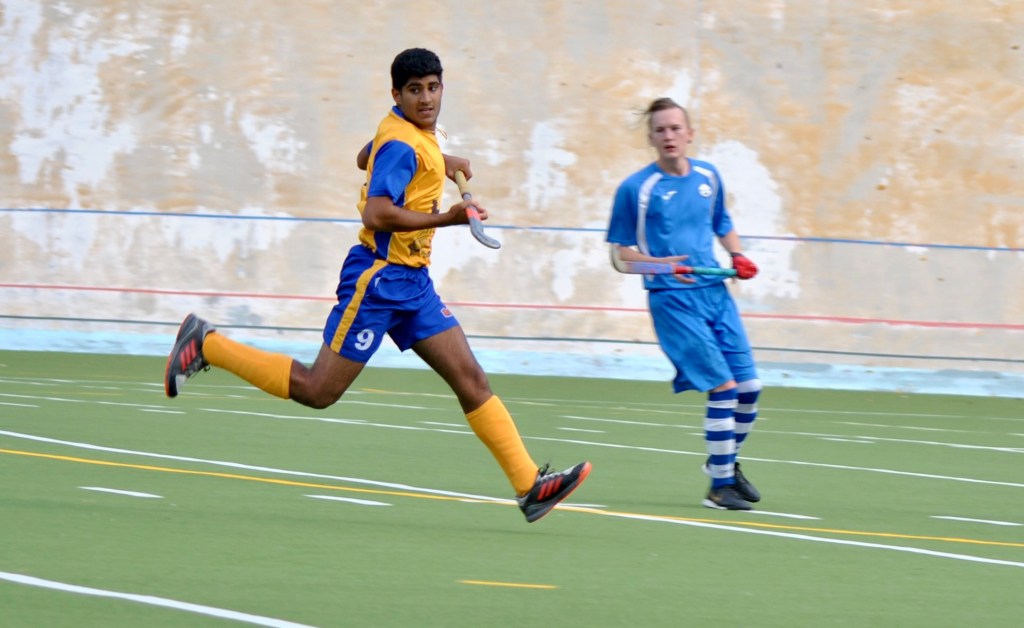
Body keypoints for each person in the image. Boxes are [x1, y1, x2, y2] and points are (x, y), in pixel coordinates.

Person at [164, 47, 591, 523]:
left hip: (413, 282)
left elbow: (363, 155)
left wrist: (439, 159)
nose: (426, 99)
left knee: (471, 380)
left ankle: (530, 486)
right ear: (397, 94)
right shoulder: (403, 143)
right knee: (318, 390)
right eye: (414, 91)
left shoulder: (407, 132)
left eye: (433, 88)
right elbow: (377, 213)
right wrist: (448, 217)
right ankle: (206, 344)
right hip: (378, 280)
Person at [606, 97, 762, 511]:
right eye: (660, 130)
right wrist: (662, 266)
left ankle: (721, 463)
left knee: (749, 389)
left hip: (715, 293)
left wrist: (737, 255)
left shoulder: (709, 176)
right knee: (724, 389)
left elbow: (722, 222)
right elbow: (621, 257)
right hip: (673, 301)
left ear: (690, 134)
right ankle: (720, 488)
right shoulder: (636, 189)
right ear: (651, 138)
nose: (669, 136)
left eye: (676, 128)